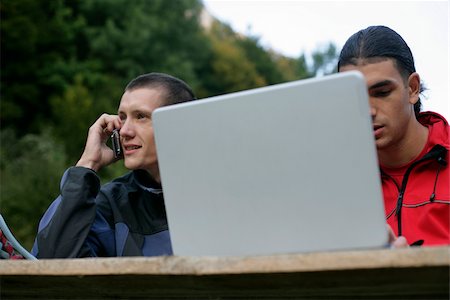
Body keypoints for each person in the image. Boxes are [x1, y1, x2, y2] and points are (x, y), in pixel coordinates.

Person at [32, 72, 196, 258]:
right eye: (123, 118)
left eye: (140, 116)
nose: (124, 131)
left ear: (178, 124)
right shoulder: (110, 205)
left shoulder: (220, 191)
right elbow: (51, 260)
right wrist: (88, 163)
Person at [337, 26, 449, 246]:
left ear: (413, 88)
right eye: (354, 95)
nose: (368, 110)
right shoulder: (337, 182)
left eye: (381, 93)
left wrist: (416, 273)